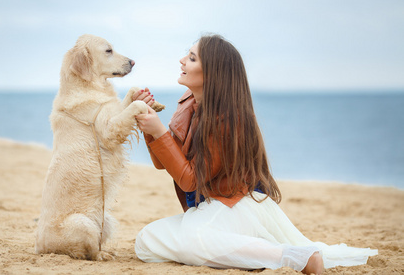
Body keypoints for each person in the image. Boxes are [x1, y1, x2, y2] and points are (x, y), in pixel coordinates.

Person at [132, 34, 377, 274]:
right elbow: (162, 163)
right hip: (209, 209)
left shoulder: (228, 120)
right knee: (146, 241)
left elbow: (190, 180)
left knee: (195, 237)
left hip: (235, 206)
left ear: (212, 72)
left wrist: (159, 131)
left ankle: (295, 257)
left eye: (192, 58)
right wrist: (151, 127)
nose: (182, 60)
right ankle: (245, 251)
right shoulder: (188, 103)